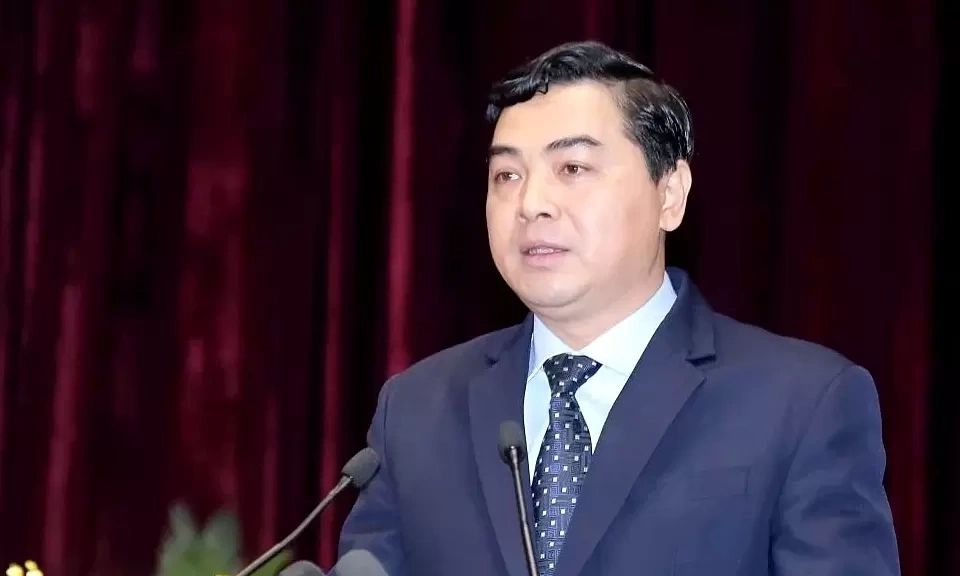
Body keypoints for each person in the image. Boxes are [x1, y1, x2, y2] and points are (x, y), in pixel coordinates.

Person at [338, 41, 900, 576]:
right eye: (507, 175)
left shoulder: (802, 403)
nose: (531, 203)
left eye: (572, 169)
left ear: (670, 194)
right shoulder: (416, 410)